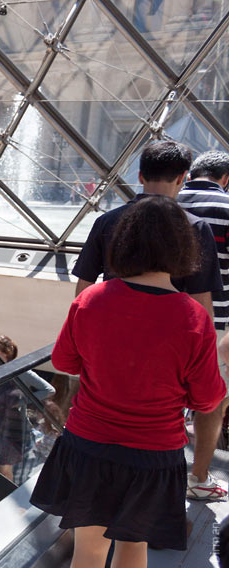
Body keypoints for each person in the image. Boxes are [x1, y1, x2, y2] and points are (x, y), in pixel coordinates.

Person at [31, 195, 225, 568]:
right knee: (134, 545)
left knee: (89, 549)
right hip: (154, 454)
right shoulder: (193, 318)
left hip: (89, 444)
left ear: (125, 243)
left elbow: (65, 361)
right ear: (182, 251)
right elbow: (209, 397)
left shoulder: (92, 300)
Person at [72, 140, 226, 504]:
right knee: (156, 430)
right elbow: (203, 304)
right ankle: (179, 487)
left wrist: (86, 335)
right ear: (182, 178)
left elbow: (81, 290)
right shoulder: (194, 227)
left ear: (139, 175)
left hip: (109, 346)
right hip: (166, 354)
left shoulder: (108, 221)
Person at [177, 150, 229, 500]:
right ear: (225, 178)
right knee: (212, 401)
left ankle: (156, 471)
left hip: (163, 315)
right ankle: (197, 479)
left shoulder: (165, 206)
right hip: (217, 324)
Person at [0, 335, 54, 481]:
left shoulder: (19, 371)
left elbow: (48, 390)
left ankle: (3, 496)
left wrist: (19, 402)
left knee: (4, 469)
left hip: (9, 427)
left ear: (6, 353)